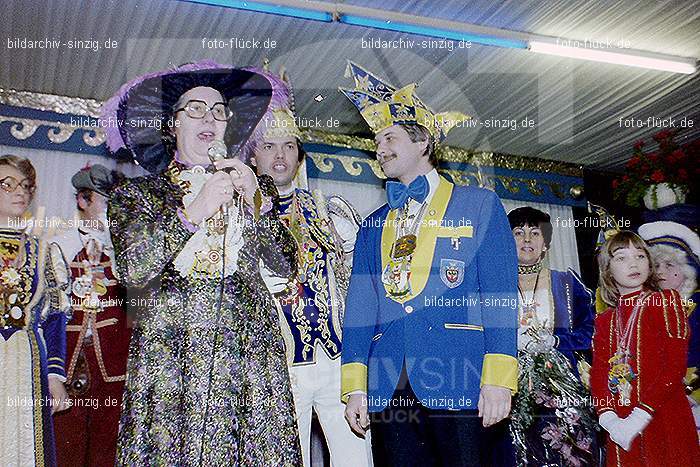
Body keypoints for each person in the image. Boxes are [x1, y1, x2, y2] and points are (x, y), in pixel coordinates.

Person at [101, 60, 301, 465]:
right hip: (172, 361)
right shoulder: (137, 196)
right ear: (172, 125)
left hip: (249, 362)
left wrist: (259, 206)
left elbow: (285, 265)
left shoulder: (253, 188)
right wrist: (194, 211)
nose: (209, 117)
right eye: (194, 108)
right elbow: (133, 269)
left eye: (218, 110)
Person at [339, 61, 519, 466]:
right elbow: (359, 310)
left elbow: (500, 296)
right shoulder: (373, 224)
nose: (379, 148)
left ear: (422, 143)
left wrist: (498, 379)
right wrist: (355, 387)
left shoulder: (479, 205)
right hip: (388, 385)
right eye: (377, 141)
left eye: (389, 137)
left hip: (461, 375)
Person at [244, 67, 369, 467]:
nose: (280, 156)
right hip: (276, 365)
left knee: (356, 460)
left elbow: (357, 284)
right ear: (252, 154)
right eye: (269, 146)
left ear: (299, 155)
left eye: (288, 146)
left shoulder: (329, 211)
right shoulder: (239, 215)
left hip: (336, 361)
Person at [590, 230, 699, 466]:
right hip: (621, 425)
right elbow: (599, 373)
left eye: (640, 256)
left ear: (649, 264)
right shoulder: (605, 320)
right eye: (622, 258)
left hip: (662, 418)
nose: (633, 263)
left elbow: (674, 368)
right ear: (607, 269)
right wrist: (610, 420)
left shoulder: (665, 301)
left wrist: (638, 417)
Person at [52, 164, 131, 467]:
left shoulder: (126, 250)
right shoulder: (59, 244)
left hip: (113, 362)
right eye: (108, 202)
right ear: (83, 201)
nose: (116, 211)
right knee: (65, 443)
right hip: (70, 360)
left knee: (107, 446)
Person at [507, 207, 597, 466]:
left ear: (546, 243)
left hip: (563, 393)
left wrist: (557, 342)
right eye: (518, 233)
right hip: (510, 392)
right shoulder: (494, 285)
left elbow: (592, 332)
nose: (526, 240)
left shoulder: (567, 283)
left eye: (535, 233)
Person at [0, 154, 71, 466]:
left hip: (28, 361)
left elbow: (56, 317)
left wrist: (55, 375)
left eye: (26, 186)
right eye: (8, 184)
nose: (20, 192)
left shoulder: (45, 251)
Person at [638, 220, 700, 436]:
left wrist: (691, 392)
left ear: (686, 270)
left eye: (669, 265)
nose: (660, 272)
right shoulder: (645, 307)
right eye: (655, 266)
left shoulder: (698, 306)